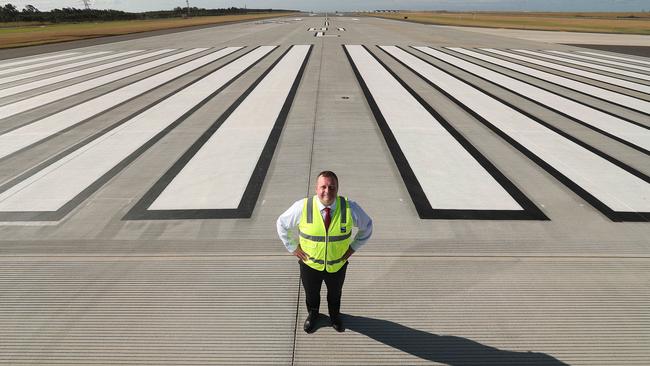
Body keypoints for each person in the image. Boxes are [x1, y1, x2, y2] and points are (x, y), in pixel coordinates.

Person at [277, 170, 373, 333]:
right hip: (310, 265)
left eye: (332, 187)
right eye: (323, 187)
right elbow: (281, 224)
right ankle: (313, 315)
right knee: (311, 294)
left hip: (337, 265)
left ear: (337, 189)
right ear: (316, 189)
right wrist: (293, 247)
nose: (327, 191)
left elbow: (367, 227)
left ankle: (334, 316)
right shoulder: (303, 206)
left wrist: (353, 247)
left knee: (335, 294)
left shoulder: (350, 208)